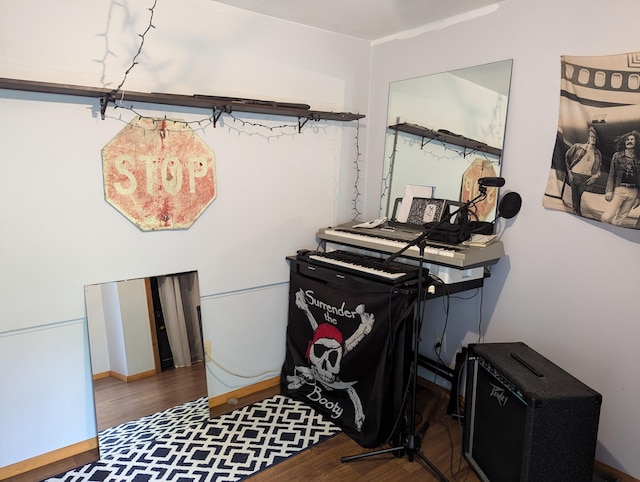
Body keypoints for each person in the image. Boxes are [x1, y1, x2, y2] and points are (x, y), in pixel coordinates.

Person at [601, 130, 640, 226]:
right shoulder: (617, 156)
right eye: (627, 139)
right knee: (607, 217)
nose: (629, 141)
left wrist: (638, 198)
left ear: (636, 142)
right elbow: (611, 174)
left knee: (619, 220)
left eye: (632, 139)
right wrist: (609, 190)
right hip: (620, 189)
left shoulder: (638, 158)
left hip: (633, 192)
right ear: (624, 142)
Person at [565, 126, 602, 216]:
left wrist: (595, 176)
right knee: (575, 197)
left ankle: (577, 212)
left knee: (580, 197)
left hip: (586, 178)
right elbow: (566, 157)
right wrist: (569, 172)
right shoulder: (578, 146)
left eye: (594, 138)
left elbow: (599, 171)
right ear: (588, 138)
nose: (593, 139)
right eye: (591, 137)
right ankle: (576, 213)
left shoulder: (598, 153)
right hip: (575, 175)